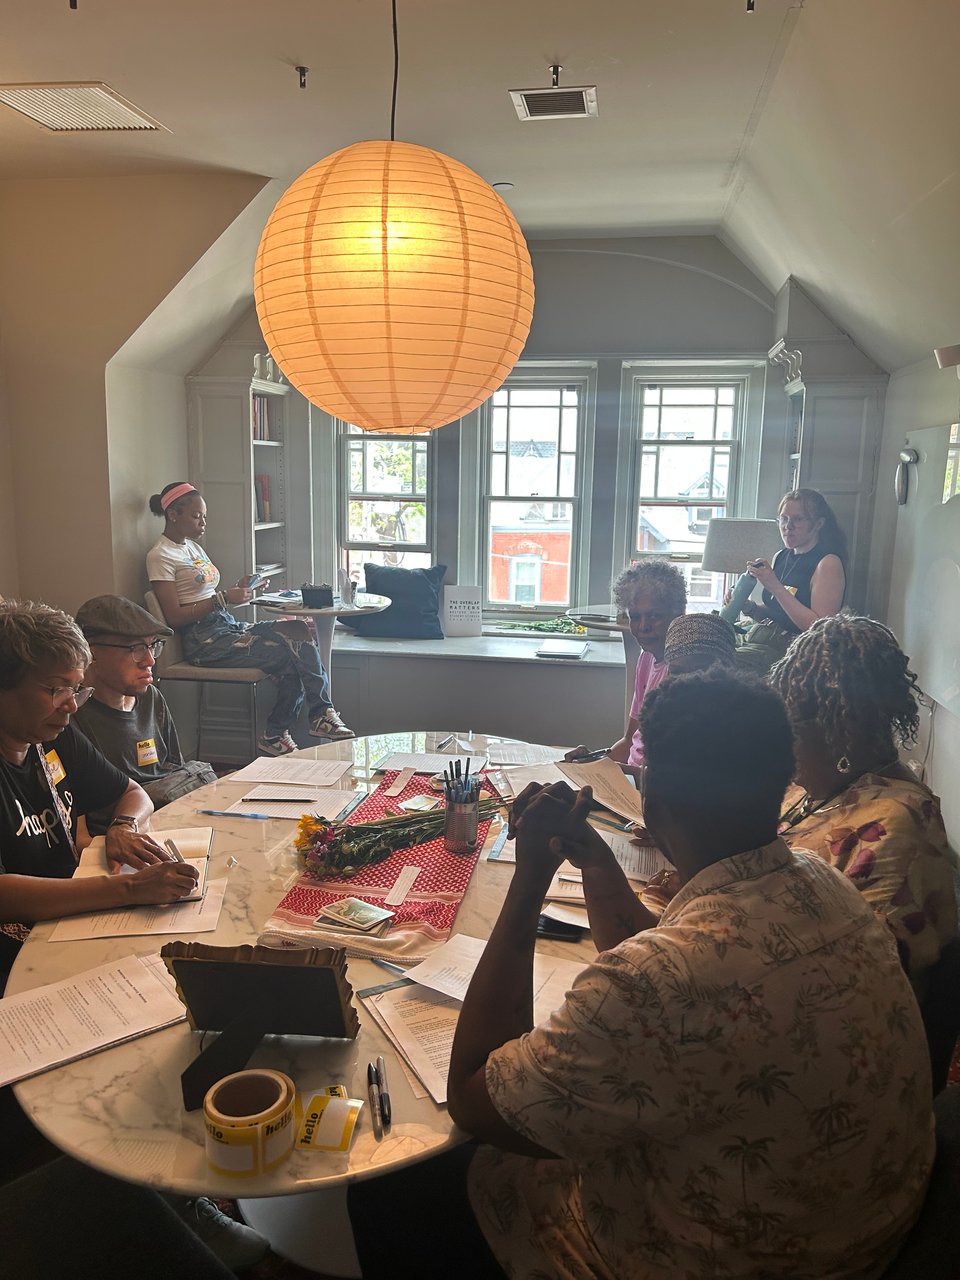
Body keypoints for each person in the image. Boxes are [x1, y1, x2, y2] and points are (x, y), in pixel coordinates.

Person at [445, 669, 933, 1280]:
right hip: (864, 1229)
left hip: (727, 1261)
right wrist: (593, 857)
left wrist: (527, 884)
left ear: (652, 801)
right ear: (780, 782)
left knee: (479, 1167)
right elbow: (668, 976)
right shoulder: (823, 882)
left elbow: (473, 1096)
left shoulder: (654, 984)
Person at [0, 599, 199, 970]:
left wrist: (123, 827)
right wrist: (130, 889)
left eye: (77, 690)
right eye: (57, 689)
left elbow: (131, 793)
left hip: (66, 922)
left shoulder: (54, 738)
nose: (72, 707)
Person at [769, 612, 956, 992]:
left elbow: (848, 970)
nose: (785, 753)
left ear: (840, 733)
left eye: (793, 734)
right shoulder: (821, 786)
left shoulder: (896, 824)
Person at [146, 480, 353, 753]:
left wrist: (241, 588)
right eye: (196, 517)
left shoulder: (192, 548)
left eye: (204, 516)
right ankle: (280, 732)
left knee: (299, 630)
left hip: (225, 626)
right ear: (173, 515)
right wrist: (223, 599)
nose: (203, 523)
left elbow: (202, 592)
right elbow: (173, 617)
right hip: (203, 641)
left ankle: (317, 716)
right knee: (290, 655)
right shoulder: (160, 555)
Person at [72, 595, 217, 829]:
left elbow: (175, 770)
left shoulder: (151, 697)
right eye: (136, 649)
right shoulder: (71, 713)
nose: (149, 660)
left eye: (152, 646)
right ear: (91, 653)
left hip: (173, 821)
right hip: (118, 836)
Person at [566, 559, 686, 768]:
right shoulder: (646, 658)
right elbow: (630, 740)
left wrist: (619, 773)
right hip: (629, 777)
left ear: (678, 614)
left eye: (654, 616)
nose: (643, 626)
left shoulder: (682, 670)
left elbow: (671, 769)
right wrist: (590, 763)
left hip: (652, 789)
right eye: (635, 616)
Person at [733, 487, 846, 674]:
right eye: (784, 519)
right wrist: (749, 607)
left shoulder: (828, 563)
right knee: (708, 640)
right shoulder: (781, 556)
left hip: (794, 651)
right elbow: (777, 614)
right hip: (764, 636)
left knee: (718, 660)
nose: (788, 526)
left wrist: (775, 586)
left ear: (818, 524)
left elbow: (819, 629)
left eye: (798, 519)